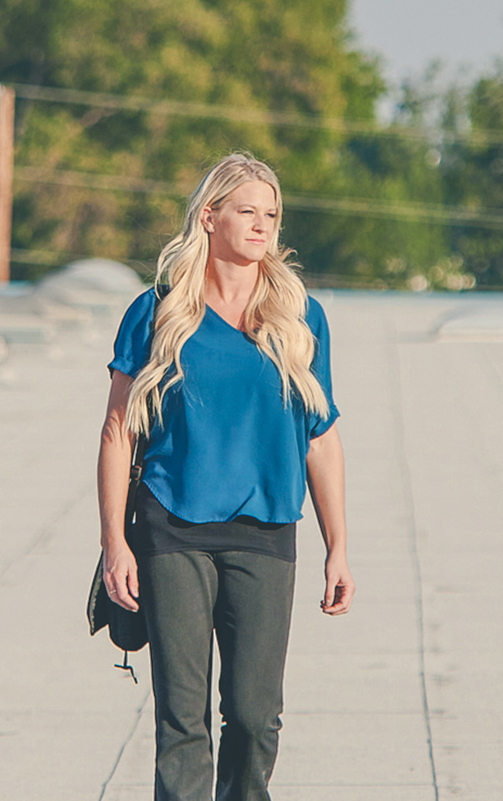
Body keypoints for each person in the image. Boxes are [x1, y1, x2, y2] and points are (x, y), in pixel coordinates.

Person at [96, 152, 353, 801]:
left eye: (271, 213)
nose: (262, 224)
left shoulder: (299, 317)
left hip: (266, 531)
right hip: (171, 528)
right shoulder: (158, 311)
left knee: (254, 714)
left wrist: (338, 546)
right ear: (209, 217)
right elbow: (116, 433)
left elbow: (321, 441)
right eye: (247, 211)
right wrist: (113, 543)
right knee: (181, 719)